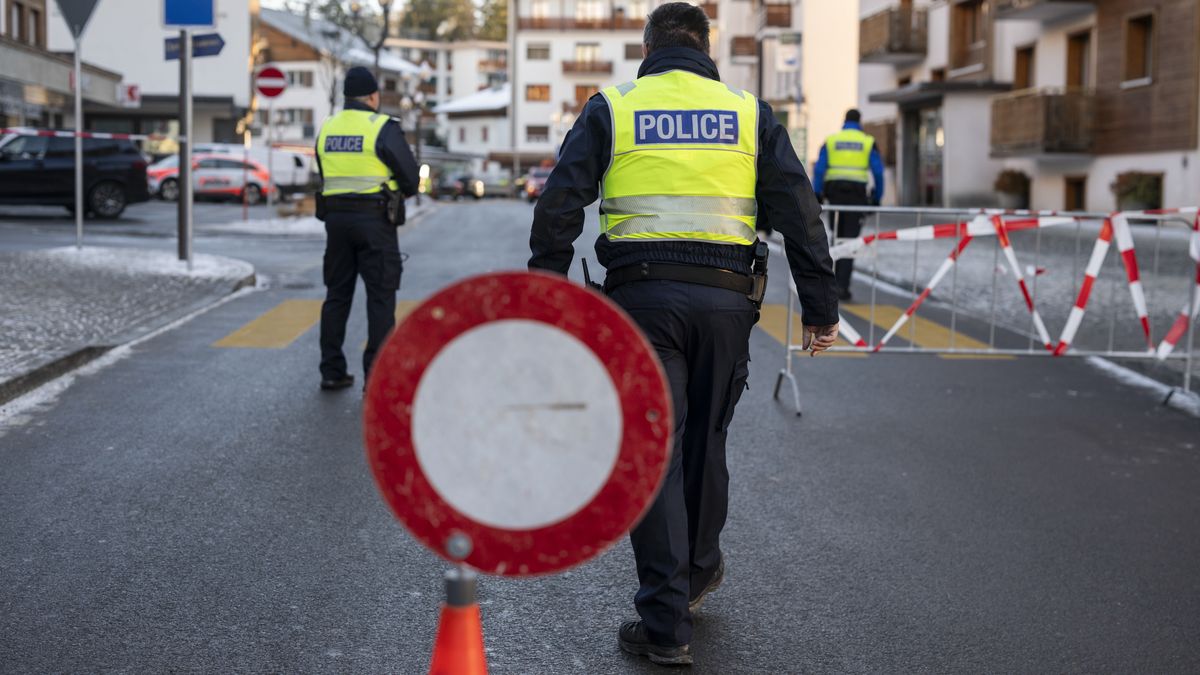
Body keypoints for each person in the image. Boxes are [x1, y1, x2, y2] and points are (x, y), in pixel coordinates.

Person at [527, 3, 840, 666]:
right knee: (706, 438)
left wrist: (547, 290)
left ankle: (667, 622)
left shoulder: (613, 106)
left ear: (648, 46)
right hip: (729, 302)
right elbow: (798, 210)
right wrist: (820, 307)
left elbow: (560, 201)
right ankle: (695, 574)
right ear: (706, 45)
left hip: (642, 298)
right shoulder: (748, 112)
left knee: (654, 448)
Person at [314, 66, 419, 391]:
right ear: (373, 96)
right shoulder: (381, 127)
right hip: (375, 221)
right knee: (380, 297)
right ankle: (375, 376)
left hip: (336, 222)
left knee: (337, 295)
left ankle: (332, 370)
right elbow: (411, 179)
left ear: (347, 96)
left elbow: (323, 171)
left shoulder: (328, 127)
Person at [812, 108, 885, 301]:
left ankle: (830, 285)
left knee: (836, 238)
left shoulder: (832, 141)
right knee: (850, 241)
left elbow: (819, 169)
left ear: (844, 121)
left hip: (834, 195)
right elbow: (878, 173)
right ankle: (842, 287)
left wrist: (817, 194)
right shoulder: (867, 142)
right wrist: (877, 198)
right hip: (856, 197)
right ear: (859, 122)